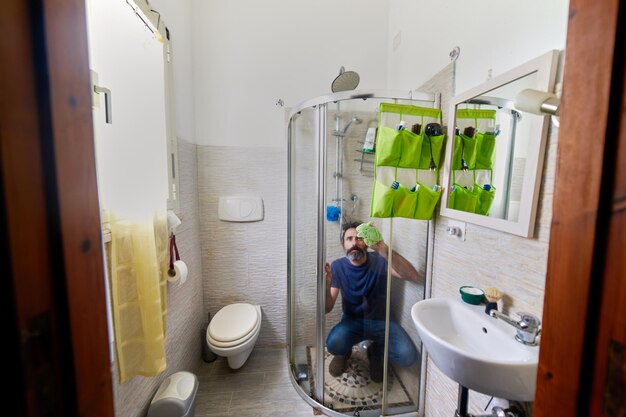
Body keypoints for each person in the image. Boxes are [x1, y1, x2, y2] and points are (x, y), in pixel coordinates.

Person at [325, 221, 419, 383]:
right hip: (352, 321)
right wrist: (326, 283)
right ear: (343, 245)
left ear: (367, 242)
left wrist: (383, 249)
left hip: (383, 322)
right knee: (333, 344)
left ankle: (376, 351)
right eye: (349, 239)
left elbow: (412, 275)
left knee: (408, 356)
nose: (354, 242)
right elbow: (327, 307)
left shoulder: (379, 260)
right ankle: (344, 352)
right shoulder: (338, 266)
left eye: (360, 238)